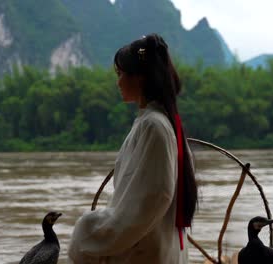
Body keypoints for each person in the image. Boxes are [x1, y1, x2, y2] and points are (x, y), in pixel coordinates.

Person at [68, 34, 198, 264]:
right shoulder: (157, 122)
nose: (117, 82)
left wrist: (90, 230)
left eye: (121, 75)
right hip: (157, 246)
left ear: (140, 78)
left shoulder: (154, 125)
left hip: (146, 252)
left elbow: (154, 197)